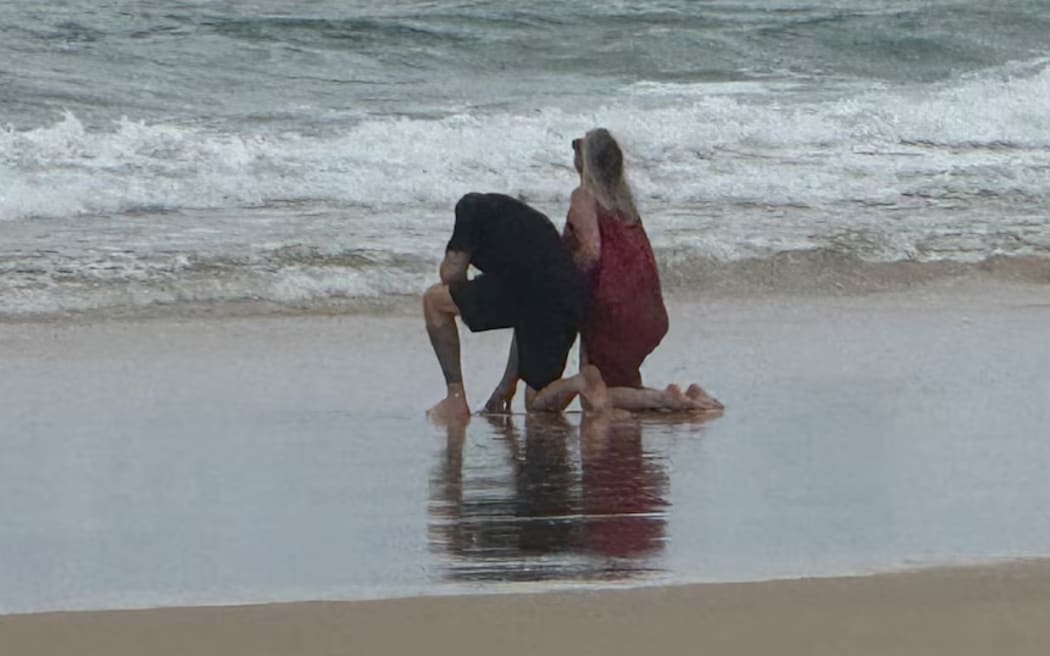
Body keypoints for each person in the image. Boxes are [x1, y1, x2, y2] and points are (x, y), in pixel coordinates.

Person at [561, 128, 722, 413]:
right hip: (647, 310)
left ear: (587, 161)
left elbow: (591, 252)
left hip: (612, 311)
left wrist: (566, 288)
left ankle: (666, 400)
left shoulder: (584, 197)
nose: (574, 150)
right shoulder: (625, 202)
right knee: (624, 385)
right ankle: (691, 398)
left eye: (579, 146)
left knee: (594, 396)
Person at [423, 192, 609, 424]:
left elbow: (451, 274)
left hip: (537, 296)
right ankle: (578, 383)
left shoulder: (469, 209)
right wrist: (506, 386)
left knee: (434, 301)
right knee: (536, 401)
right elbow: (522, 307)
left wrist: (457, 271)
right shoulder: (529, 224)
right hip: (569, 297)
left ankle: (455, 398)